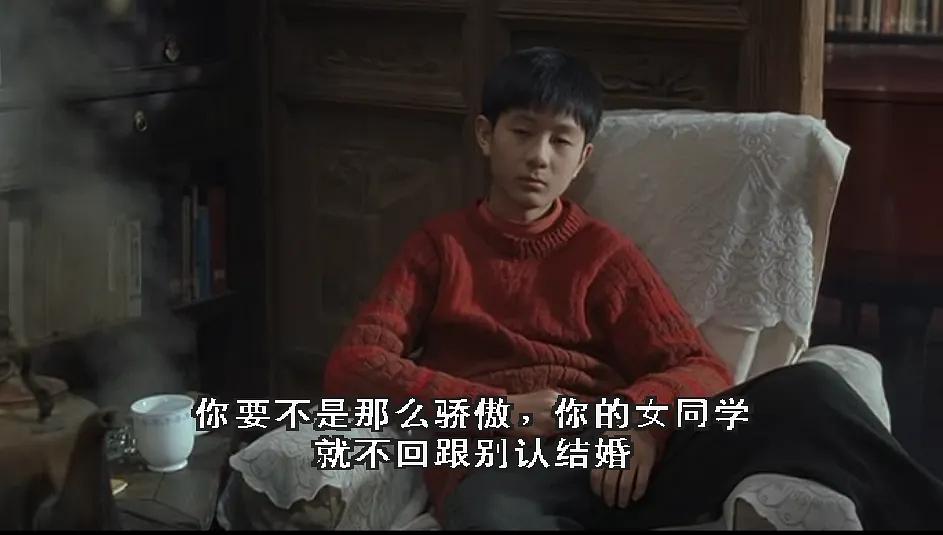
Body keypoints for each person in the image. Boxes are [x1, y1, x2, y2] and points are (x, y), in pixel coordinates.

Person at [323, 46, 943, 530]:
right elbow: (353, 366)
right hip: (503, 466)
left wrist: (641, 424)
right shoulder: (438, 247)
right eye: (522, 132)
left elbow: (699, 367)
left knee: (811, 390)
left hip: (617, 448)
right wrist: (492, 409)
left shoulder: (603, 254)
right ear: (486, 136)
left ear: (582, 158)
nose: (539, 157)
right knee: (491, 518)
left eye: (560, 140)